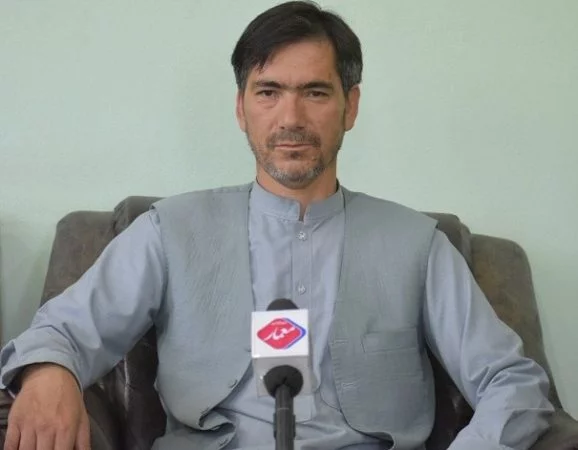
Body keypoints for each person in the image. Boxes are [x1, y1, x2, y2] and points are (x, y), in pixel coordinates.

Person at [0, 2, 553, 449]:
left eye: (315, 92)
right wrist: (50, 372)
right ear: (242, 108)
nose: (291, 118)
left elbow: (513, 381)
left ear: (350, 107)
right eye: (269, 92)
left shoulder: (417, 246)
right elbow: (62, 332)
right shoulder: (169, 231)